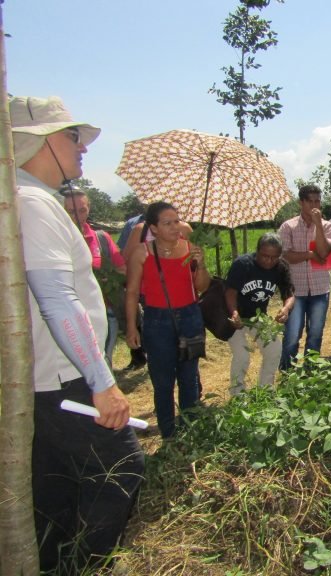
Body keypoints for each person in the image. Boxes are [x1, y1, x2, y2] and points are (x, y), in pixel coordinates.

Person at [10, 95, 144, 573]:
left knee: (55, 485)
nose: (81, 146)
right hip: (68, 378)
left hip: (48, 378)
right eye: (72, 136)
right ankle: (83, 566)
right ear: (42, 142)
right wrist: (102, 382)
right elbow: (57, 299)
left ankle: (52, 564)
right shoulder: (34, 205)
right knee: (122, 467)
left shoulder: (26, 200)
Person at [125, 201, 211, 438]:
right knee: (163, 382)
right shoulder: (142, 253)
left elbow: (202, 286)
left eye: (176, 221)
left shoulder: (189, 248)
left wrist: (200, 264)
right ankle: (168, 433)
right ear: (153, 228)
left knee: (189, 378)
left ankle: (190, 430)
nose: (176, 227)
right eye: (167, 223)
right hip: (157, 321)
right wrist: (132, 327)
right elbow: (132, 292)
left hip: (190, 318)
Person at [62, 188, 126, 369]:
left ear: (89, 208)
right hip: (68, 317)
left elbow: (122, 269)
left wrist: (107, 280)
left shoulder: (100, 238)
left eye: (82, 210)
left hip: (103, 313)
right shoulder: (56, 240)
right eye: (71, 211)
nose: (77, 216)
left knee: (103, 363)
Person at [225, 233, 295, 394]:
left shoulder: (281, 267)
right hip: (235, 316)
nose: (269, 261)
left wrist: (285, 309)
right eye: (265, 256)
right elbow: (230, 292)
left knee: (274, 349)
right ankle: (238, 394)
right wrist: (234, 312)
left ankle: (265, 390)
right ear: (257, 251)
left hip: (258, 316)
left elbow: (289, 294)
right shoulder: (242, 264)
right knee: (242, 354)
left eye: (274, 257)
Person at [278, 184, 331, 368]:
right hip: (296, 290)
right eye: (310, 201)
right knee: (293, 334)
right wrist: (310, 255)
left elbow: (325, 251)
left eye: (317, 201)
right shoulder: (288, 227)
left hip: (320, 288)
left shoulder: (327, 226)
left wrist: (318, 224)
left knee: (316, 333)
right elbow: (286, 256)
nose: (314, 205)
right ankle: (288, 373)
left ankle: (310, 373)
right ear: (301, 202)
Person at [117, 211, 148, 370]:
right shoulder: (135, 226)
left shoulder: (179, 226)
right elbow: (124, 254)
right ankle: (138, 355)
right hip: (140, 285)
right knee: (139, 319)